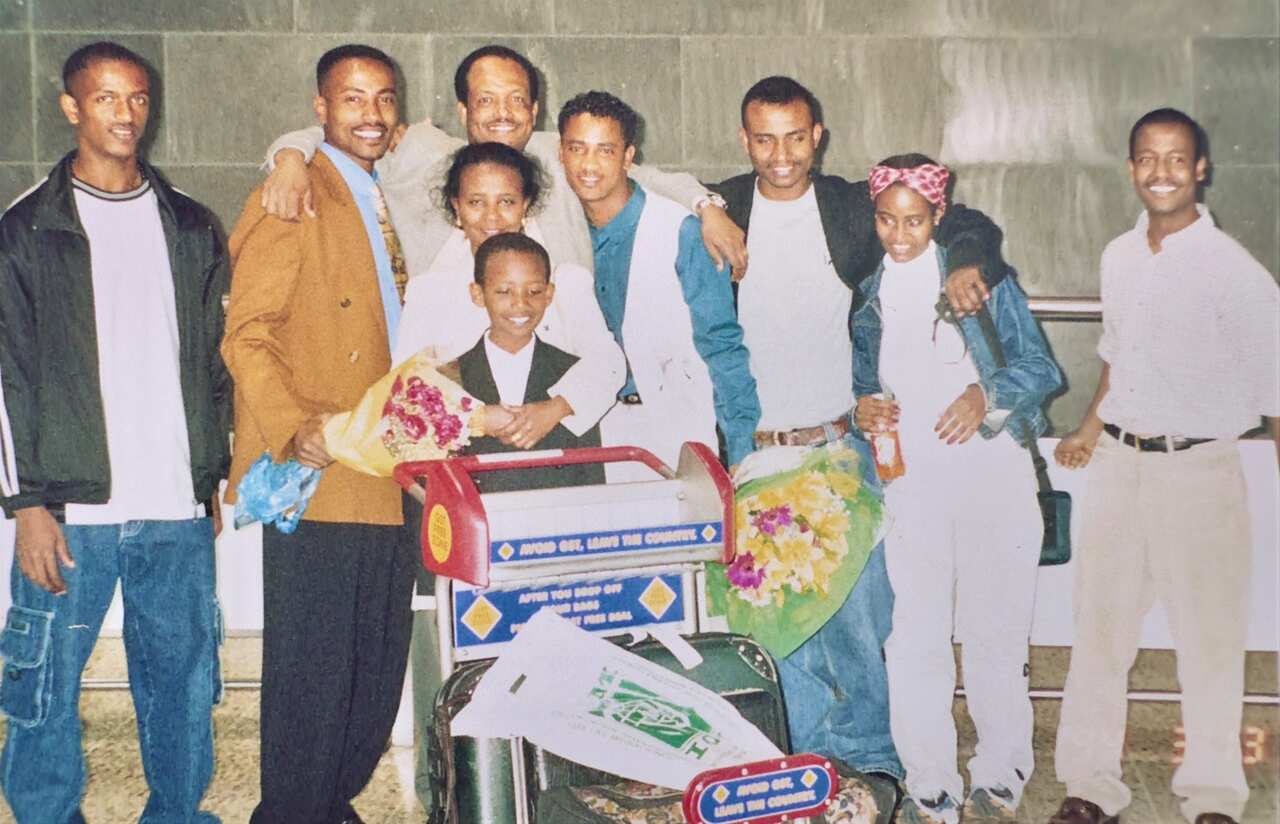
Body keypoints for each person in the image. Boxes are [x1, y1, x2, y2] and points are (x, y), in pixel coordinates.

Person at [707, 76, 1014, 800]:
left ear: (818, 136)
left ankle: (874, 762)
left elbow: (964, 220)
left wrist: (970, 262)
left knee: (859, 614)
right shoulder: (726, 207)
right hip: (756, 455)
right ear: (744, 140)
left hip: (840, 447)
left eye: (795, 136)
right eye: (763, 139)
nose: (781, 154)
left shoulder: (849, 207)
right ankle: (808, 763)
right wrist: (703, 206)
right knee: (778, 621)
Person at [0, 41, 229, 823]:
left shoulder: (189, 224)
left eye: (137, 98)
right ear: (72, 107)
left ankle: (177, 813)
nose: (125, 114)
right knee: (44, 686)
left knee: (183, 685)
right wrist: (26, 504)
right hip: (71, 512)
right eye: (105, 98)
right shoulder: (27, 229)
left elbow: (213, 362)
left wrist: (208, 477)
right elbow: (6, 372)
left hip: (174, 509)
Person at [1048, 108, 1279, 824]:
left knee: (1209, 641)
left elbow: (1277, 389)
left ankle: (1212, 798)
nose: (1162, 172)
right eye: (1148, 158)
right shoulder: (1119, 255)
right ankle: (1090, 788)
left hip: (1200, 470)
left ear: (1201, 169)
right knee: (1099, 635)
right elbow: (1118, 357)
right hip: (1121, 464)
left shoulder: (1235, 271)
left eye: (1177, 158)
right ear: (1130, 169)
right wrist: (1089, 429)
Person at [221, 44, 416, 824]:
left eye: (384, 98)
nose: (371, 113)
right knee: (315, 678)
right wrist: (294, 425)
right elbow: (247, 333)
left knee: (374, 674)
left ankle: (327, 806)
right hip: (322, 471)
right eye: (352, 98)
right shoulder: (294, 194)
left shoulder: (383, 192)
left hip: (392, 470)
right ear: (320, 108)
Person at [852, 154, 1062, 824]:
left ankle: (1001, 772)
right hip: (913, 488)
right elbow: (863, 386)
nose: (900, 235)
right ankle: (930, 781)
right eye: (887, 220)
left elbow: (1041, 368)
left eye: (915, 220)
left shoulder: (979, 279)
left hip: (994, 479)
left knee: (995, 633)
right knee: (915, 635)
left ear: (940, 215)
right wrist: (863, 409)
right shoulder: (867, 293)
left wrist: (985, 394)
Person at [259, 44, 748, 278]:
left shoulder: (559, 154)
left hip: (563, 359)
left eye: (516, 100)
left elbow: (643, 175)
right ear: (463, 111)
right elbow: (351, 131)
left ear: (534, 111)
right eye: (486, 100)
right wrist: (290, 156)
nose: (502, 114)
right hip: (451, 367)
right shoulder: (422, 151)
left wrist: (707, 206)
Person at [557, 90, 760, 480]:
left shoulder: (682, 231)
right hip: (590, 432)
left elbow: (721, 344)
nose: (589, 164)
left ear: (628, 157)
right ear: (560, 153)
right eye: (577, 148)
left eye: (605, 150)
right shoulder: (559, 228)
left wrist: (740, 449)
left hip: (673, 431)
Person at [393, 141, 625, 448]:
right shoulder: (429, 292)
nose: (492, 217)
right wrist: (476, 417)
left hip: (555, 451)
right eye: (476, 202)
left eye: (506, 202)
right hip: (464, 455)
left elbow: (608, 364)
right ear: (457, 207)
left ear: (525, 205)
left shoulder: (566, 281)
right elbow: (404, 386)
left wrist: (555, 408)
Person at [446, 231, 606, 491]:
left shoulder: (574, 374)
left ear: (549, 294)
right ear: (478, 294)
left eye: (533, 291)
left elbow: (590, 478)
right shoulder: (449, 378)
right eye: (504, 291)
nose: (520, 304)